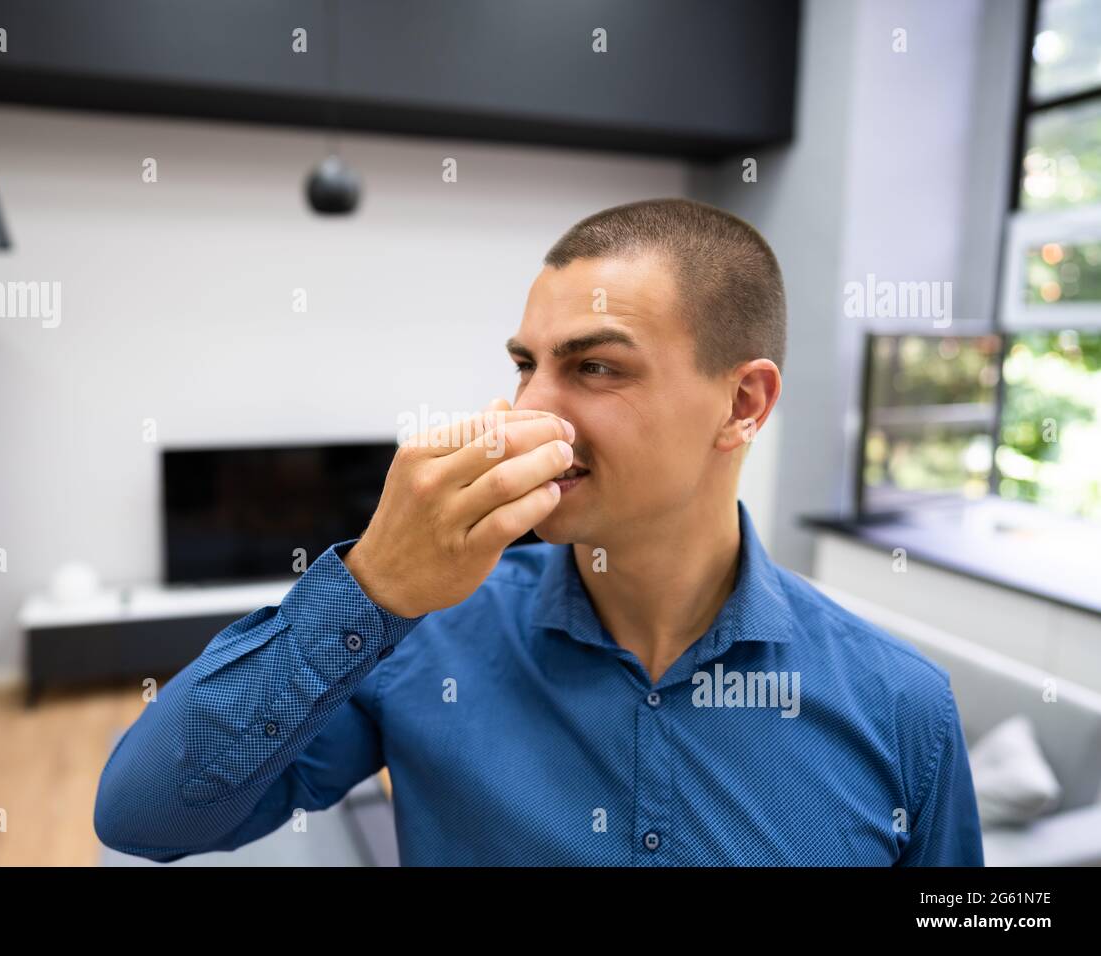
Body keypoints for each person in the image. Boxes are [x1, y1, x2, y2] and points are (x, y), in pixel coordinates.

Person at [94, 198, 984, 865]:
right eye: (526, 365)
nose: (528, 412)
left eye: (595, 367)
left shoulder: (902, 710)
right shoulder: (425, 637)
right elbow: (144, 815)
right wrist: (370, 586)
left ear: (741, 404)